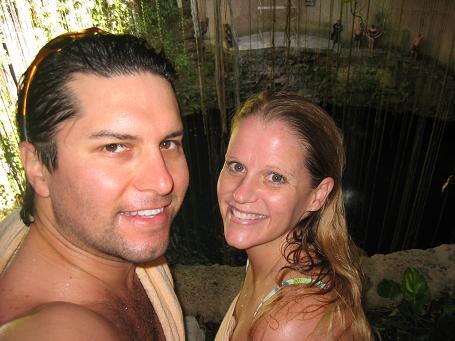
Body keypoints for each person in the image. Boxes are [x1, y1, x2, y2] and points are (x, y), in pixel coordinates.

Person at [0, 28, 189, 340]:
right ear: (37, 167)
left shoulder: (113, 245)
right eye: (115, 147)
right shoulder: (51, 331)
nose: (162, 182)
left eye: (168, 143)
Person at [215, 91, 372, 340]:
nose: (242, 193)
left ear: (317, 196)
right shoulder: (270, 260)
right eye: (236, 166)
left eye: (275, 177)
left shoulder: (292, 323)